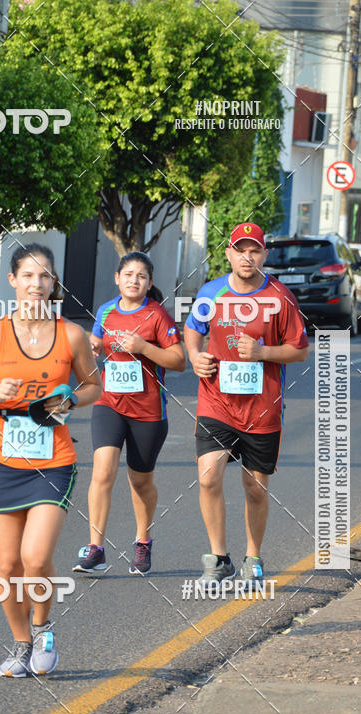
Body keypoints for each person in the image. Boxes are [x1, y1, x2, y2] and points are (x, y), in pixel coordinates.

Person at [0, 244, 101, 677]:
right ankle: (21, 645)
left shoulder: (71, 335)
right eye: (28, 275)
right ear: (13, 281)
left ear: (53, 283)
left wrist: (71, 400)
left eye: (44, 277)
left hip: (53, 458)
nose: (36, 284)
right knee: (7, 565)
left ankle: (43, 629)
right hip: (2, 458)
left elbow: (95, 387)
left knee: (35, 559)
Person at [184, 222, 309, 587]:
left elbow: (299, 351)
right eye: (240, 249)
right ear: (229, 254)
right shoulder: (212, 292)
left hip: (263, 406)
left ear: (264, 255)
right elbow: (193, 328)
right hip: (216, 400)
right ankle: (218, 558)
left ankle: (252, 557)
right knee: (208, 476)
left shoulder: (280, 297)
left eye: (254, 250)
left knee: (255, 487)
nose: (247, 257)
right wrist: (194, 355)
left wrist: (262, 352)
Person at [73, 251, 186, 576]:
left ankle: (143, 541)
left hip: (148, 411)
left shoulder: (157, 315)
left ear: (149, 283)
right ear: (117, 278)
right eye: (128, 274)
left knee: (140, 481)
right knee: (102, 472)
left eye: (141, 276)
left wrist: (144, 348)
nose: (134, 280)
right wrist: (92, 348)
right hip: (109, 404)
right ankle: (95, 549)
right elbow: (96, 342)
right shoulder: (106, 310)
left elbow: (178, 361)